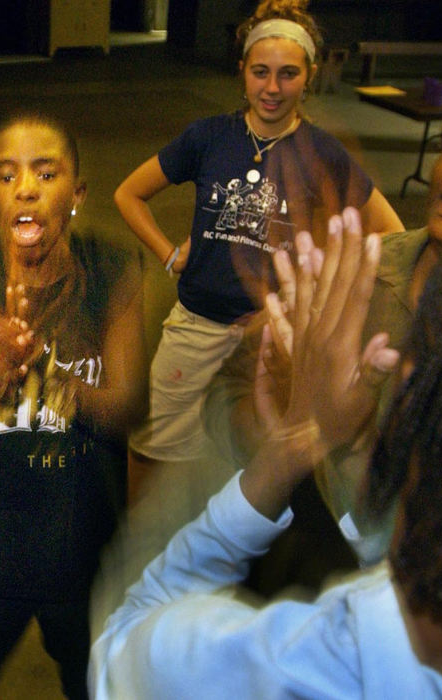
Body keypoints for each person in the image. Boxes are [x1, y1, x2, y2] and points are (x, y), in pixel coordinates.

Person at [91, 183, 442, 698]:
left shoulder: (302, 664)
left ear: (415, 391)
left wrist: (281, 457)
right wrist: (349, 449)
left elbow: (122, 645)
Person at [200, 63, 442, 581]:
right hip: (294, 581)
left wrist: (344, 442)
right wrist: (282, 425)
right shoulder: (349, 274)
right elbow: (222, 400)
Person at [117, 0, 403, 490]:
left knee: (249, 461)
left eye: (288, 74)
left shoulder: (321, 152)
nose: (272, 88)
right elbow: (129, 193)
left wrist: (315, 285)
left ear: (309, 76)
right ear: (243, 72)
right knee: (157, 447)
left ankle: (227, 547)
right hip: (196, 324)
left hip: (266, 339)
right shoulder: (209, 137)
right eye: (261, 72)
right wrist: (169, 253)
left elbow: (391, 232)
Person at [0, 114, 147, 699]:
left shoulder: (111, 271)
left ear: (75, 195)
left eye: (45, 173)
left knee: (97, 683)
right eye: (7, 175)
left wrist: (48, 371)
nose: (25, 187)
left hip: (79, 539)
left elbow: (126, 407)